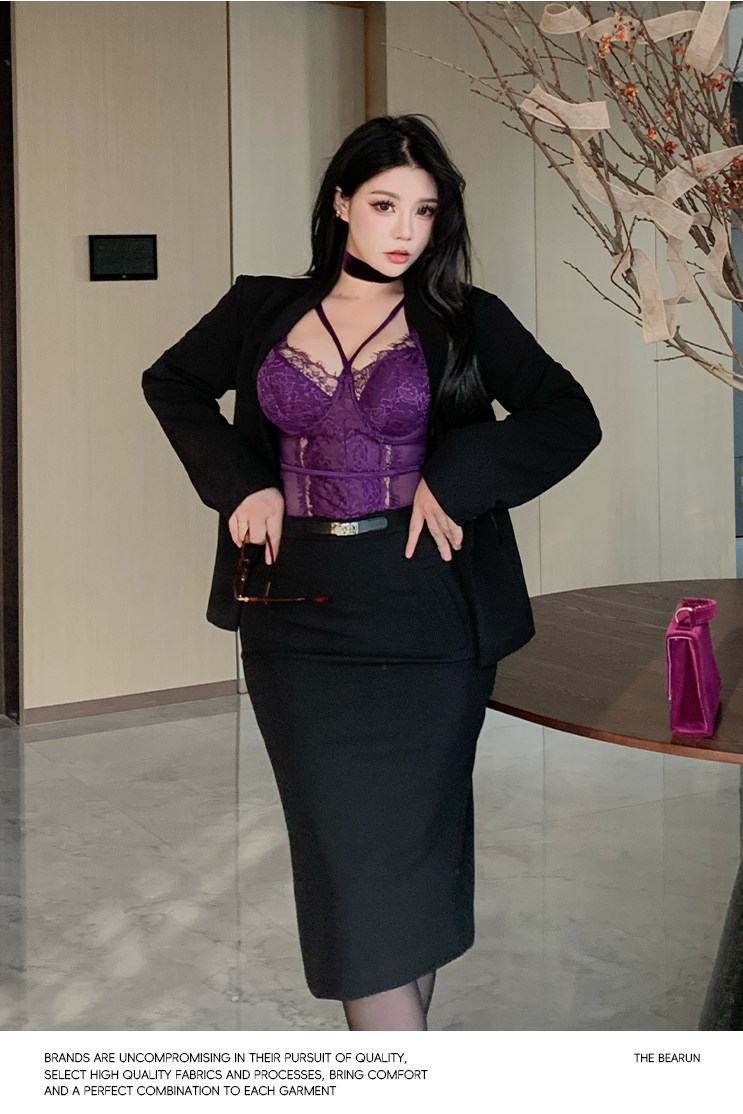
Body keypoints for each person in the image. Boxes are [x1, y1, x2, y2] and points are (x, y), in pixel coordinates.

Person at [142, 114, 602, 1031]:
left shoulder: (468, 318)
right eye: (386, 204)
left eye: (425, 212)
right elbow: (172, 382)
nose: (405, 230)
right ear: (342, 201)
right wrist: (240, 484)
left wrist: (458, 475)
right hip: (297, 618)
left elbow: (568, 416)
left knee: (407, 860)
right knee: (348, 866)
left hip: (428, 611)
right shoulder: (261, 307)